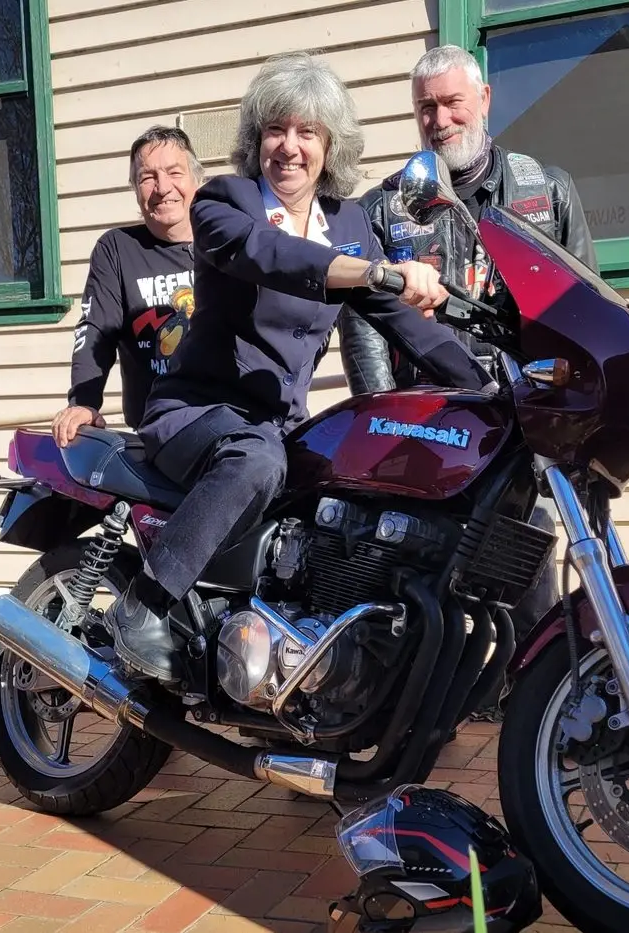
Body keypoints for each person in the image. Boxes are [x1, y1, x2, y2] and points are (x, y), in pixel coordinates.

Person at [105, 53, 494, 687]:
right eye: (276, 130)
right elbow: (269, 255)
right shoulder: (223, 202)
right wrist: (371, 271)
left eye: (307, 132)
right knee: (257, 461)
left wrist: (490, 388)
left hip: (279, 422)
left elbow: (407, 323)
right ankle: (145, 603)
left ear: (329, 145)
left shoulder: (348, 224)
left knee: (346, 499)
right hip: (197, 412)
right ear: (256, 137)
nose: (289, 147)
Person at [341, 45, 593, 704]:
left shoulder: (549, 190)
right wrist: (382, 415)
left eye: (453, 101)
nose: (440, 117)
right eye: (426, 106)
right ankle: (392, 716)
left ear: (484, 100)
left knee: (528, 574)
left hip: (517, 429)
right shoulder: (385, 207)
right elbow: (363, 320)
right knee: (404, 576)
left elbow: (580, 311)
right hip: (424, 429)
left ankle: (545, 713)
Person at [52, 125, 204, 447]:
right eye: (147, 177)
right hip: (160, 431)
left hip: (230, 417)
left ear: (196, 179)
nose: (162, 188)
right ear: (135, 189)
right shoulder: (118, 249)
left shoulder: (226, 241)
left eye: (174, 172)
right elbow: (96, 330)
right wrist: (84, 401)